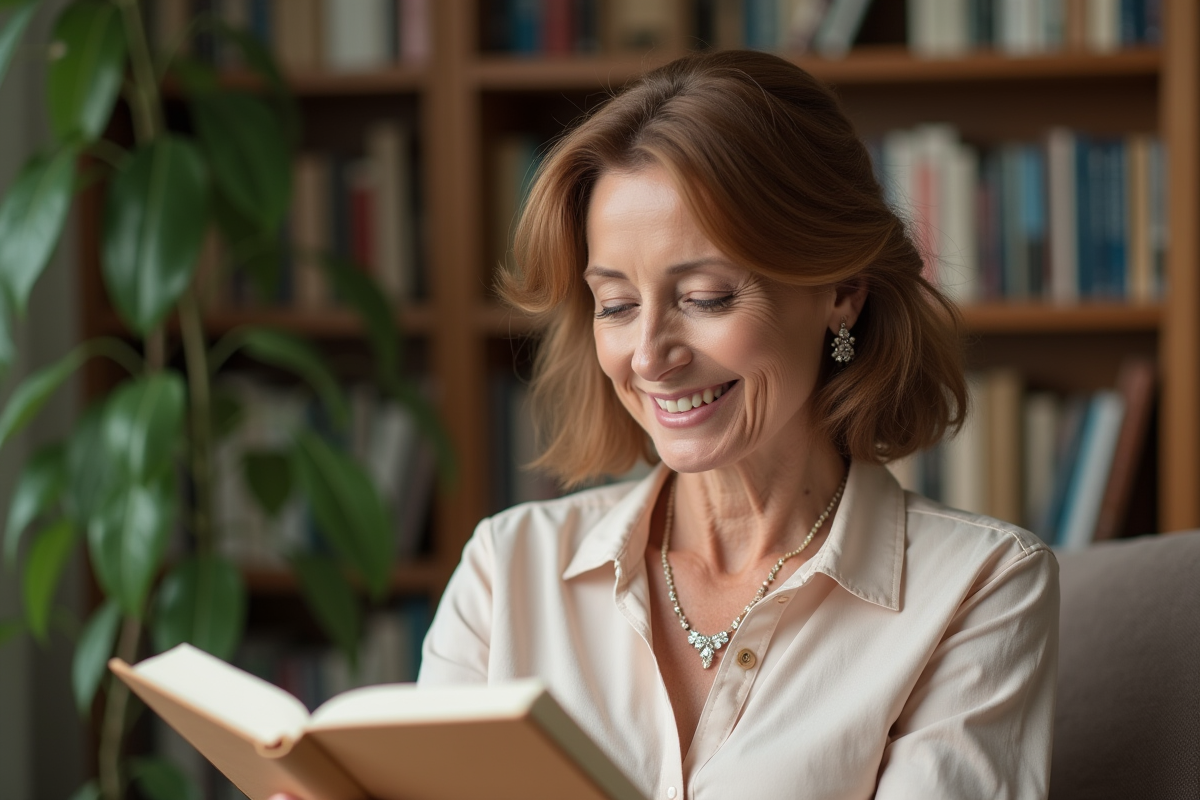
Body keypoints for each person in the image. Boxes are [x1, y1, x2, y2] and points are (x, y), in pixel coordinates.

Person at [276, 49, 1058, 800]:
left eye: (707, 296)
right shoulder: (505, 572)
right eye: (615, 306)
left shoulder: (980, 588)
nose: (648, 355)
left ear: (842, 291)